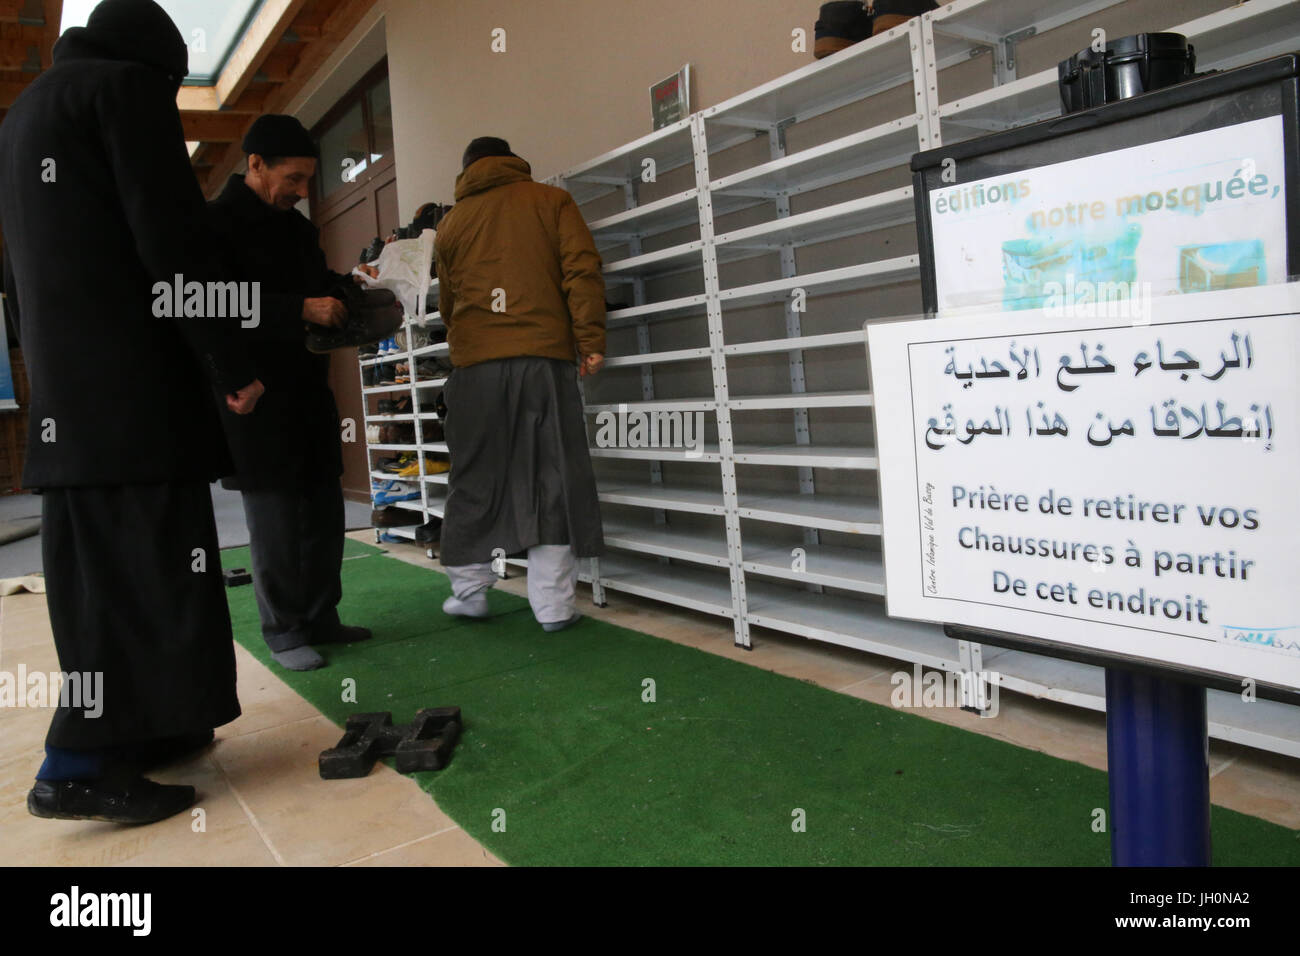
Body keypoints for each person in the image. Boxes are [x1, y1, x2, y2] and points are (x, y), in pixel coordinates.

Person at [0, 0, 264, 824]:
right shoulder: (124, 92)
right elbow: (170, 239)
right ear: (159, 62)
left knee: (106, 577)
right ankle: (74, 763)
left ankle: (152, 729)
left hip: (68, 400)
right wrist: (229, 355)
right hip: (131, 393)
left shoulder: (23, 115)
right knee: (142, 575)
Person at [207, 114, 372, 672]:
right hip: (252, 392)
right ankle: (283, 631)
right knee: (275, 517)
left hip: (307, 386)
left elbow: (317, 284)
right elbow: (210, 303)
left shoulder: (298, 228)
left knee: (324, 509)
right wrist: (297, 309)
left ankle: (322, 616)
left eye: (307, 181)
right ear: (256, 164)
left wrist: (352, 284)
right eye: (294, 179)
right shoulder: (216, 222)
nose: (302, 192)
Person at [434, 136, 606, 630]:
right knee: (553, 475)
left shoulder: (450, 224)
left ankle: (469, 593)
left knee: (475, 478)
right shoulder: (551, 201)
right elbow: (581, 270)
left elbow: (448, 305)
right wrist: (590, 337)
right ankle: (552, 609)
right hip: (541, 359)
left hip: (474, 367)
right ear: (512, 161)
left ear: (467, 170)